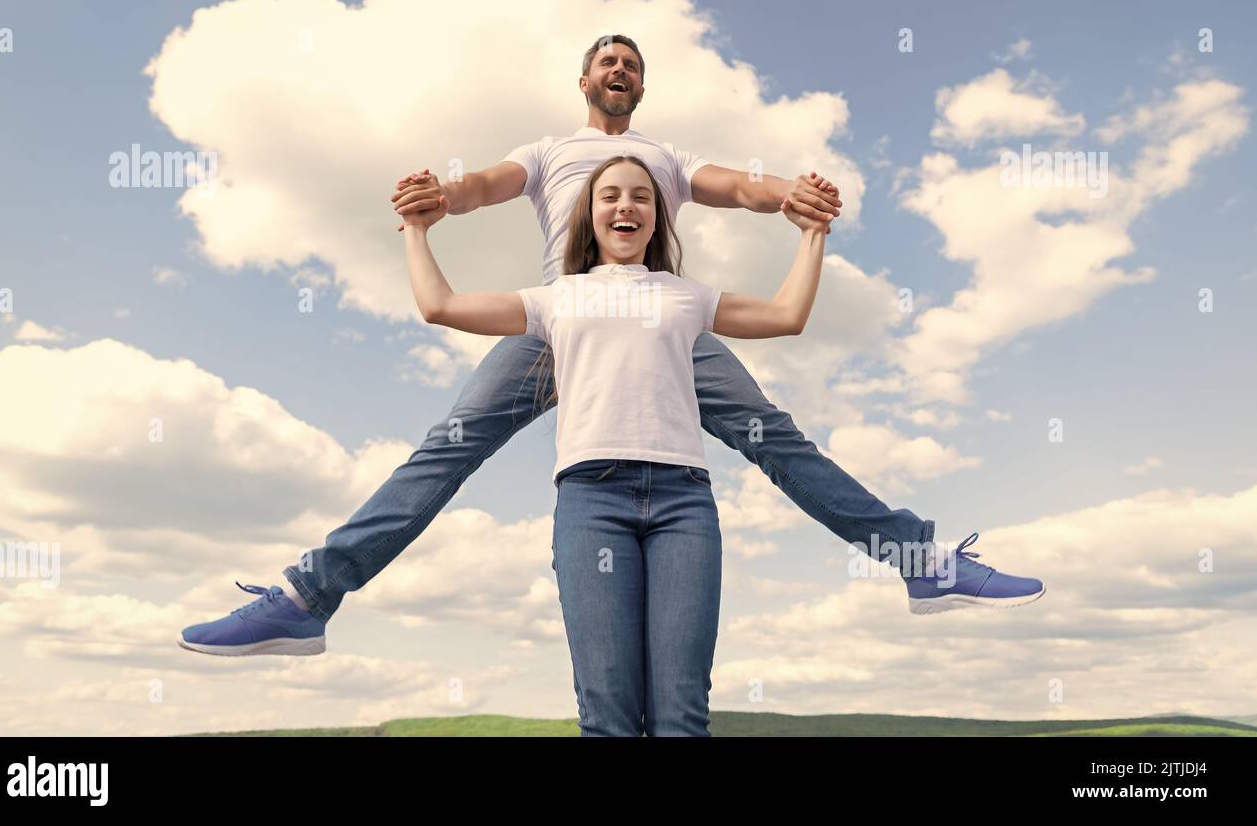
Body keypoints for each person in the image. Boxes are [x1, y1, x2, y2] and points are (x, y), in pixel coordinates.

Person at [178, 34, 1043, 659]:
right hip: (562, 322)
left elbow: (741, 184)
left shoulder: (666, 158)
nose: (619, 71)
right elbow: (481, 186)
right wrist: (436, 197)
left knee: (776, 439)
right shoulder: (550, 149)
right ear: (584, 79)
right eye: (608, 61)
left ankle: (919, 560)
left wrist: (796, 198)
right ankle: (306, 594)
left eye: (633, 64)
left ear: (641, 88)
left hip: (665, 328)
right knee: (442, 450)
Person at [412, 152, 830, 735]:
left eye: (641, 195)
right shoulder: (557, 298)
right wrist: (416, 228)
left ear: (657, 217)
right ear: (589, 214)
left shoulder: (684, 296)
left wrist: (813, 234)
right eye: (609, 195)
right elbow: (441, 306)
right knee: (607, 711)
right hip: (591, 502)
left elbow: (786, 315)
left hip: (683, 503)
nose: (625, 204)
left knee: (680, 714)